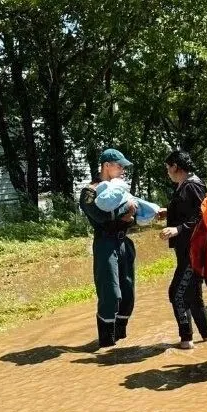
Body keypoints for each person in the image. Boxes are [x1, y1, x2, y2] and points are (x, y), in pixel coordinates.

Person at [79, 148, 137, 348]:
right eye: (120, 166)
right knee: (110, 294)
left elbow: (135, 212)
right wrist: (126, 211)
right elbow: (102, 217)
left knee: (128, 294)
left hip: (124, 243)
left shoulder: (118, 188)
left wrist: (129, 214)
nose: (123, 170)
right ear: (107, 166)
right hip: (105, 243)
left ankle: (120, 341)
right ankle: (106, 343)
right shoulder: (90, 192)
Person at [159, 150, 207, 350]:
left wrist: (177, 229)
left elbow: (202, 216)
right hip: (186, 249)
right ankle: (206, 336)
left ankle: (186, 339)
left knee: (177, 293)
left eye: (168, 168)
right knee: (192, 293)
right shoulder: (186, 184)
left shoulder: (193, 185)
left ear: (175, 167)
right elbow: (187, 210)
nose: (167, 172)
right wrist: (168, 212)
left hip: (193, 250)